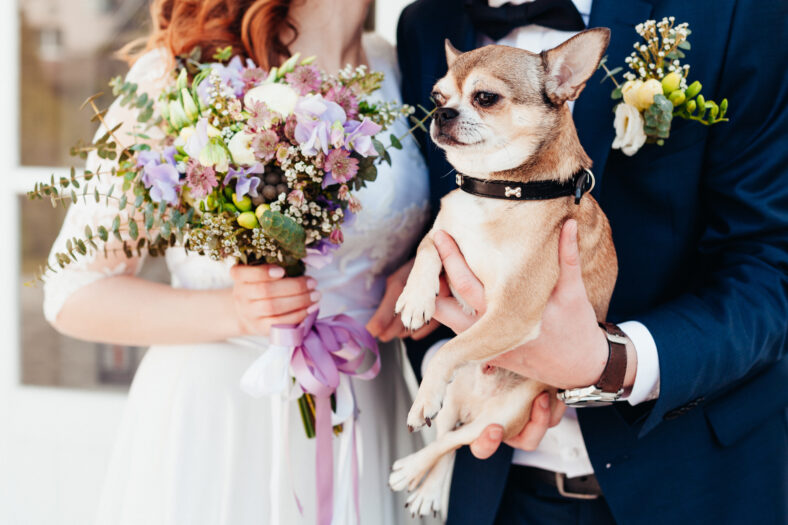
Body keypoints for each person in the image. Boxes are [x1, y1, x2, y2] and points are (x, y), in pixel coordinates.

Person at [369, 0, 788, 523]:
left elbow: (770, 261)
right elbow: (443, 215)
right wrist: (451, 355)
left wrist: (612, 362)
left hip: (693, 482)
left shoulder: (734, 12)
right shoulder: (427, 21)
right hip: (499, 483)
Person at [42, 1, 436, 523]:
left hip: (365, 409)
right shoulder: (182, 72)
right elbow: (72, 293)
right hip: (225, 414)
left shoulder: (406, 64)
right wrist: (238, 311)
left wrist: (424, 270)